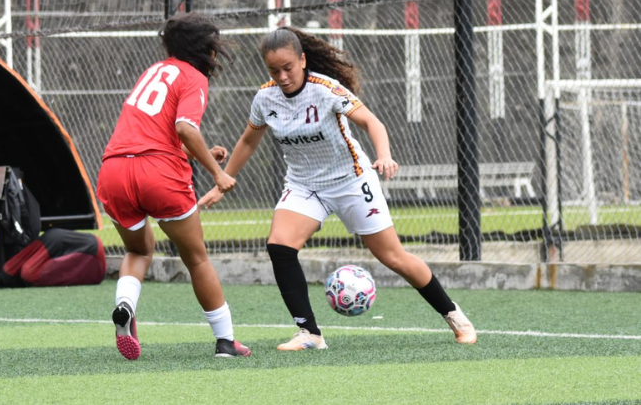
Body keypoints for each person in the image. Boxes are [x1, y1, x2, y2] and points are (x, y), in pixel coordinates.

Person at [198, 27, 477, 350]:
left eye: (288, 67)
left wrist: (384, 155)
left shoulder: (326, 89)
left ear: (302, 60)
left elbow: (372, 123)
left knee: (393, 256)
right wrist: (222, 181)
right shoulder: (265, 98)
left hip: (351, 181)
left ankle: (456, 317)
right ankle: (309, 333)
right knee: (280, 246)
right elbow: (249, 140)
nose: (282, 76)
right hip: (305, 185)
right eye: (274, 70)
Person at [96, 12, 251, 360]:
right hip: (159, 175)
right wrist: (217, 172)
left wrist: (196, 155)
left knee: (138, 251)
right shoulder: (193, 76)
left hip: (115, 170)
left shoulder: (152, 71)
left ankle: (125, 304)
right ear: (206, 48)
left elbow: (155, 136)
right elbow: (184, 127)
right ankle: (226, 342)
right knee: (196, 258)